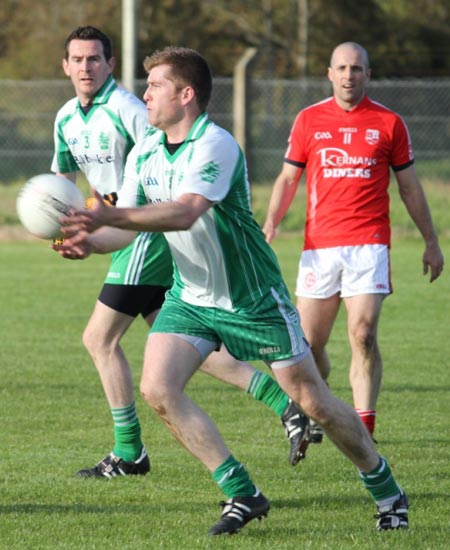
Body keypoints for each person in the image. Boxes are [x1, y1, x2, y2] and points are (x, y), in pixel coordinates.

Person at [55, 46, 409, 535]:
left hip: (252, 298)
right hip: (190, 297)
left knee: (315, 403)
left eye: (154, 84)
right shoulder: (147, 152)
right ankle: (242, 492)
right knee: (157, 387)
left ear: (186, 94)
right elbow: (129, 230)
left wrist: (106, 212)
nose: (145, 94)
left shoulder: (215, 145)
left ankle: (386, 489)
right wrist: (90, 242)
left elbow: (184, 211)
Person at [51, 25, 310, 478]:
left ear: (110, 64)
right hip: (124, 227)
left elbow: (161, 160)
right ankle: (286, 405)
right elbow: (63, 185)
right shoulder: (66, 118)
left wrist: (107, 221)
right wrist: (72, 229)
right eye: (78, 59)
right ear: (65, 66)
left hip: (149, 232)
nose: (86, 67)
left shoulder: (128, 108)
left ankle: (129, 452)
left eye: (95, 59)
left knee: (99, 338)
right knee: (178, 344)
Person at [263, 41, 444, 441]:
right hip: (320, 247)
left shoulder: (389, 123)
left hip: (369, 244)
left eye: (357, 69)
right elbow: (289, 178)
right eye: (342, 68)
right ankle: (316, 405)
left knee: (362, 334)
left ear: (368, 75)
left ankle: (364, 427)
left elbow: (409, 187)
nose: (349, 75)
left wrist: (431, 241)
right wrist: (270, 224)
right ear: (329, 73)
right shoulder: (308, 120)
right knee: (308, 345)